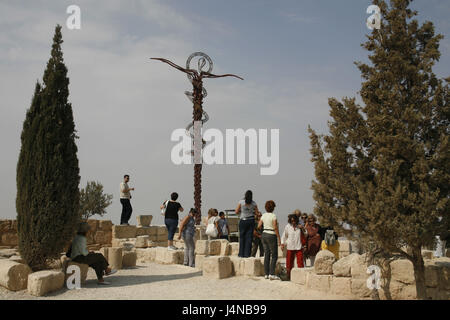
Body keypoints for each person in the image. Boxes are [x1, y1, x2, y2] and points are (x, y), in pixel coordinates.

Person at [258, 200, 281, 280]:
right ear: (273, 208)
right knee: (274, 255)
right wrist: (279, 237)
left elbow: (259, 225)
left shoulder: (263, 215)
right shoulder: (273, 216)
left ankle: (266, 274)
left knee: (266, 254)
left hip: (264, 234)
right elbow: (275, 227)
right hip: (271, 235)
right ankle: (272, 273)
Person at [235, 190, 260, 258]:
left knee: (242, 237)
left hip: (243, 220)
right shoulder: (254, 203)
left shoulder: (241, 202)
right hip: (251, 220)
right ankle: (247, 254)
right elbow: (257, 213)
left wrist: (241, 211)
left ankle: (241, 254)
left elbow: (236, 211)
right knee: (249, 238)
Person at [281, 214, 306, 279]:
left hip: (298, 246)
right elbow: (284, 235)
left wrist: (302, 228)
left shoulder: (300, 227)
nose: (293, 222)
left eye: (294, 220)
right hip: (290, 246)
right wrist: (282, 243)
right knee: (289, 262)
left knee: (300, 262)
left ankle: (301, 276)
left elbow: (306, 234)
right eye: (292, 221)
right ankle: (288, 276)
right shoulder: (287, 227)